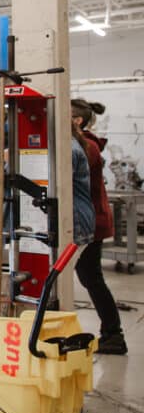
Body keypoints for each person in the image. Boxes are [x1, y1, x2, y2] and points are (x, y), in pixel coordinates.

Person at [71, 99, 127, 355]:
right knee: (89, 277)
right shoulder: (86, 144)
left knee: (91, 278)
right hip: (91, 219)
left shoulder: (86, 147)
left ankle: (113, 335)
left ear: (77, 121)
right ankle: (112, 334)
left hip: (91, 221)